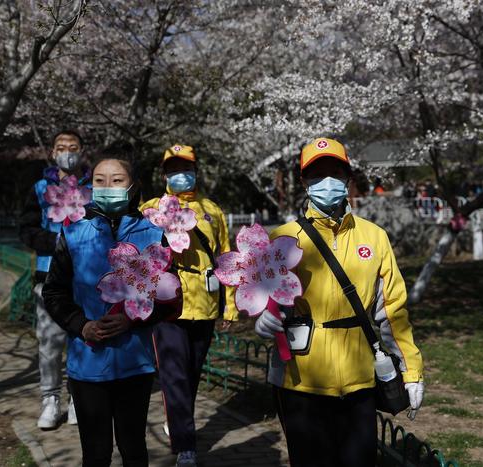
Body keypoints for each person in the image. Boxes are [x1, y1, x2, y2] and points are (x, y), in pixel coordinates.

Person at [255, 138, 424, 467]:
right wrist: (262, 318)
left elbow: (393, 311)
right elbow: (260, 296)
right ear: (304, 181)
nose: (327, 181)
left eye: (336, 172)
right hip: (299, 380)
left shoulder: (374, 237)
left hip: (359, 377)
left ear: (347, 178)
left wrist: (412, 369)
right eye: (317, 173)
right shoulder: (282, 238)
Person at [43, 157, 179, 467]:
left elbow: (171, 298)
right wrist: (82, 326)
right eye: (100, 181)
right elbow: (54, 292)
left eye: (117, 180)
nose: (108, 187)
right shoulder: (73, 234)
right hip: (86, 365)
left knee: (133, 448)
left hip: (136, 364)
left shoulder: (154, 236)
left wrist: (132, 318)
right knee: (96, 452)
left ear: (133, 187)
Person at [139, 144, 238, 467]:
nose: (180, 173)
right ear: (164, 173)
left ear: (196, 170)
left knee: (192, 372)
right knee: (174, 374)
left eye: (186, 166)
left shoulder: (212, 210)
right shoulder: (150, 208)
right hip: (168, 301)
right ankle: (186, 444)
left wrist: (231, 306)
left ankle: (179, 418)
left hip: (206, 302)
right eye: (173, 168)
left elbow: (226, 257)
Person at [19, 129, 89, 429]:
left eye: (73, 147)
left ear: (82, 151)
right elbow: (27, 229)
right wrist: (56, 240)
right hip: (49, 275)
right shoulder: (39, 188)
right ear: (52, 152)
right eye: (61, 147)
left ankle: (77, 400)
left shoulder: (93, 186)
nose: (67, 152)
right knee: (49, 341)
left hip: (85, 275)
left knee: (81, 339)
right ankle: (50, 399)